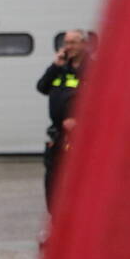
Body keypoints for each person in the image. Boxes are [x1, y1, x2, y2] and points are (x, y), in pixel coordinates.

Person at [36, 29, 89, 212]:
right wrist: (55, 65)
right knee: (53, 178)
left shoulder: (94, 68)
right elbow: (42, 87)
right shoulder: (60, 68)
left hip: (83, 135)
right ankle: (55, 219)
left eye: (73, 42)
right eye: (66, 42)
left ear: (84, 44)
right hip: (59, 134)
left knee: (82, 177)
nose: (68, 47)